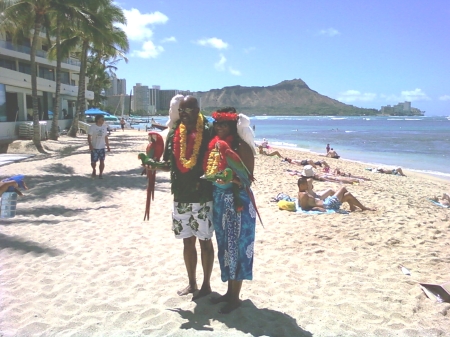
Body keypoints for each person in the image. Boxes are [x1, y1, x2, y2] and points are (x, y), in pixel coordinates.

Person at [161, 95, 215, 300]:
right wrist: (152, 165)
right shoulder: (174, 131)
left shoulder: (209, 130)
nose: (183, 115)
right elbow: (167, 163)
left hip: (202, 196)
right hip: (181, 195)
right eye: (181, 111)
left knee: (205, 240)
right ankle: (192, 284)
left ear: (198, 110)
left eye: (188, 110)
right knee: (187, 241)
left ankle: (206, 285)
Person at [204, 107, 257, 314]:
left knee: (238, 248)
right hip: (219, 201)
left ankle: (235, 297)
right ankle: (229, 293)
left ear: (233, 126)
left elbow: (248, 180)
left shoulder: (241, 146)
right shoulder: (216, 146)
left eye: (223, 124)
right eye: (217, 123)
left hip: (238, 203)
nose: (219, 127)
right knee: (225, 248)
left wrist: (230, 179)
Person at [297, 176, 374, 212]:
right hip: (327, 204)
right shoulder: (304, 194)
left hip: (327, 203)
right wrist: (317, 209)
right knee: (343, 189)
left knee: (348, 195)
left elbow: (303, 205)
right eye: (305, 184)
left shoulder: (302, 193)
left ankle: (353, 207)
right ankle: (361, 207)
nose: (307, 185)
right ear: (301, 186)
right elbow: (305, 208)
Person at [87, 115, 110, 179]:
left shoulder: (104, 127)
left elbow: (106, 137)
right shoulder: (92, 127)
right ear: (98, 120)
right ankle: (94, 170)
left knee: (102, 161)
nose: (103, 121)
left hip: (102, 147)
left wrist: (108, 146)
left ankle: (100, 174)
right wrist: (90, 145)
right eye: (102, 119)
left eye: (103, 119)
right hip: (94, 147)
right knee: (93, 162)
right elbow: (89, 137)